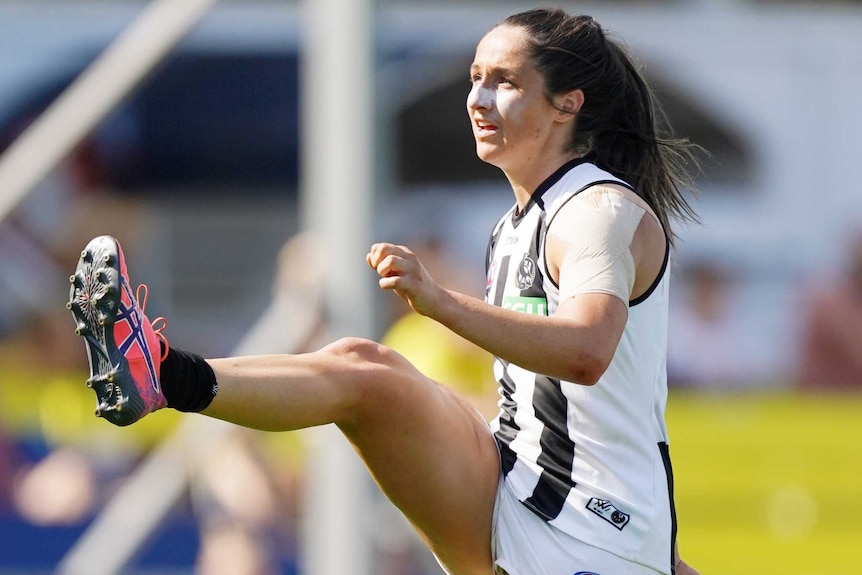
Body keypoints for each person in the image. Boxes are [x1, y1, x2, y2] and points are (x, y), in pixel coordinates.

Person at [67, 8, 701, 575]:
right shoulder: (513, 227)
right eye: (474, 78)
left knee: (370, 378)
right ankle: (162, 375)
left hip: (591, 534)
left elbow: (587, 353)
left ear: (567, 103)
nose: (477, 99)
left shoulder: (599, 208)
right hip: (517, 484)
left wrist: (441, 303)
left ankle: (162, 375)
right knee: (364, 368)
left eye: (504, 82)